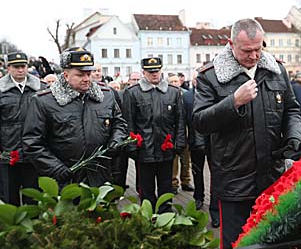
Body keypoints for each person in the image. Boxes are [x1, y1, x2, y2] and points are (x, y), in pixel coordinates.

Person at [192, 18, 301, 249]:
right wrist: (233, 102)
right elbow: (200, 121)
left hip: (271, 176)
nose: (254, 56)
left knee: (271, 240)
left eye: (258, 49)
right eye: (247, 51)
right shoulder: (210, 76)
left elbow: (292, 109)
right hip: (234, 181)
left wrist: (294, 136)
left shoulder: (276, 70)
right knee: (238, 244)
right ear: (231, 44)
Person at [23, 48, 127, 187]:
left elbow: (119, 123)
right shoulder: (44, 101)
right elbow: (32, 142)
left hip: (100, 177)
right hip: (65, 180)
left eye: (89, 74)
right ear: (65, 75)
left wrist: (116, 140)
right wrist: (55, 168)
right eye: (80, 75)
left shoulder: (106, 95)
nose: (87, 79)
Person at [122, 57, 185, 213]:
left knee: (166, 185)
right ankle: (148, 215)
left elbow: (180, 120)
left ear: (161, 70)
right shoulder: (133, 93)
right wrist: (131, 146)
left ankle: (166, 215)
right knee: (146, 187)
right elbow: (129, 122)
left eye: (156, 71)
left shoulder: (173, 92)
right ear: (144, 72)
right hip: (144, 149)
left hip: (166, 147)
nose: (154, 74)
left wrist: (180, 142)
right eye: (150, 72)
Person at [0, 52, 46, 205]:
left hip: (34, 152)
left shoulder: (41, 89)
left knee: (33, 196)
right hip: (8, 153)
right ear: (8, 68)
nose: (20, 70)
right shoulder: (1, 91)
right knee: (9, 197)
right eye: (16, 66)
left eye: (23, 66)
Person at [184, 71, 219, 227]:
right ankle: (198, 198)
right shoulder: (187, 97)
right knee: (197, 172)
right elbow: (183, 119)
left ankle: (215, 209)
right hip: (195, 142)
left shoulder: (215, 93)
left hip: (214, 142)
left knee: (216, 176)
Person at [167, 74, 194, 194]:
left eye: (176, 81)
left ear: (180, 82)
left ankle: (186, 181)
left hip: (186, 130)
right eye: (171, 81)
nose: (174, 83)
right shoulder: (167, 94)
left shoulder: (186, 94)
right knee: (174, 160)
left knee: (186, 159)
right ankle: (173, 183)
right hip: (173, 132)